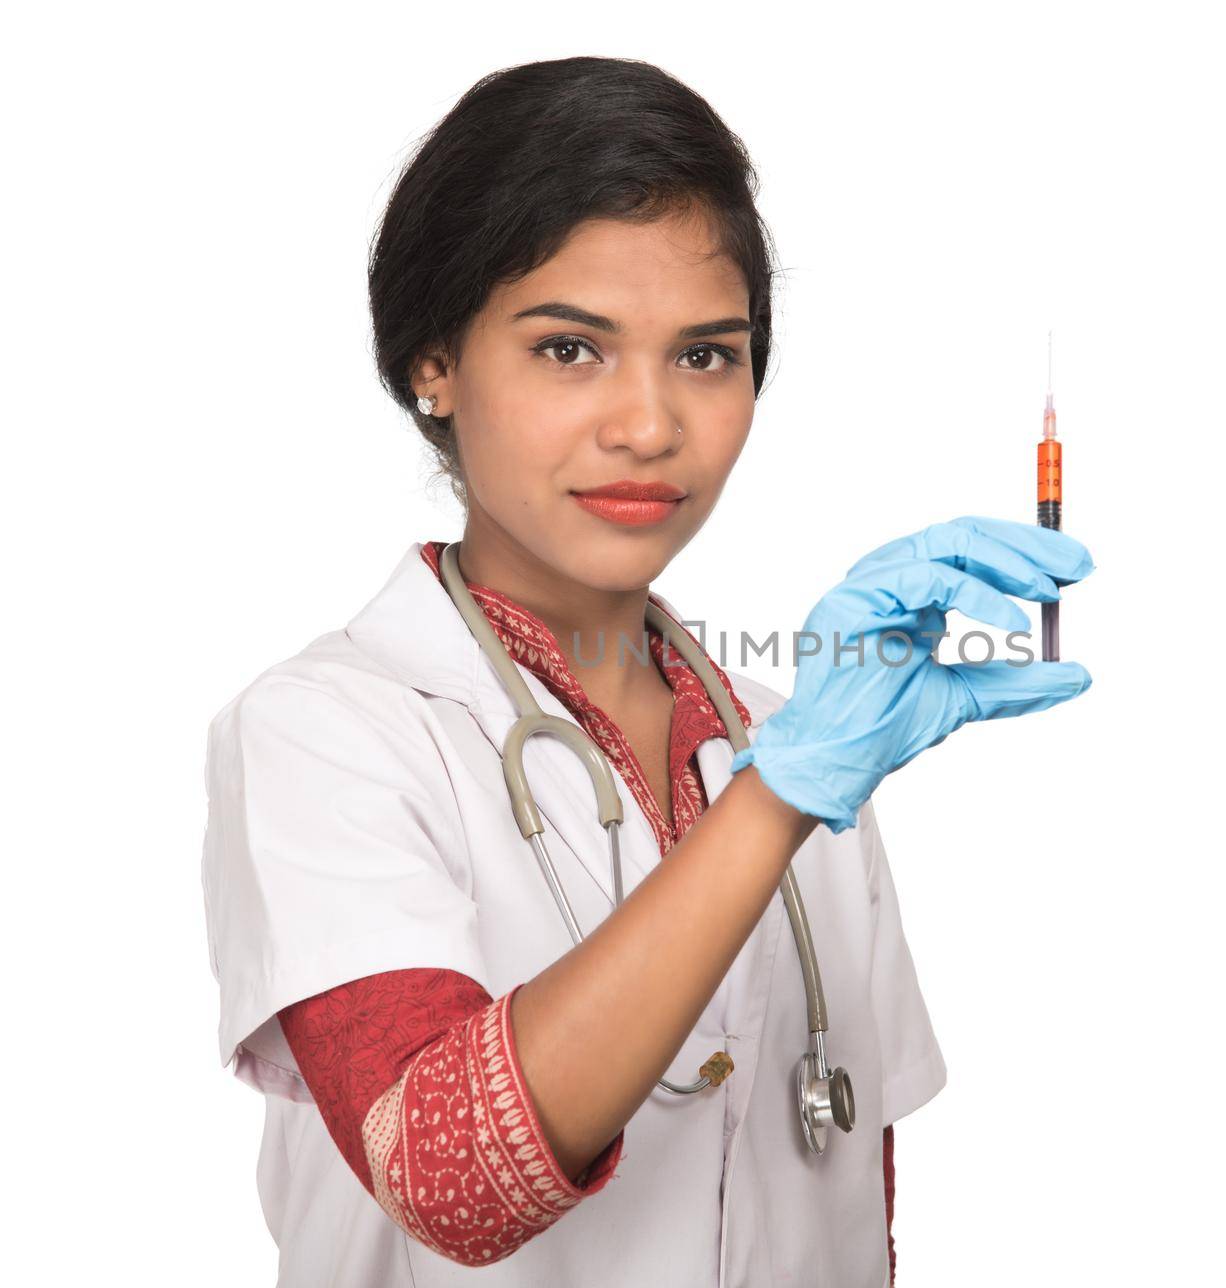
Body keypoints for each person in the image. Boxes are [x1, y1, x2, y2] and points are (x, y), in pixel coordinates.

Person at [200, 56, 1093, 1288]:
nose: (649, 424)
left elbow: (858, 1199)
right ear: (432, 363)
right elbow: (447, 1175)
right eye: (571, 349)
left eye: (707, 355)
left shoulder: (794, 740)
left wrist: (789, 779)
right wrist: (777, 798)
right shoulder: (326, 733)